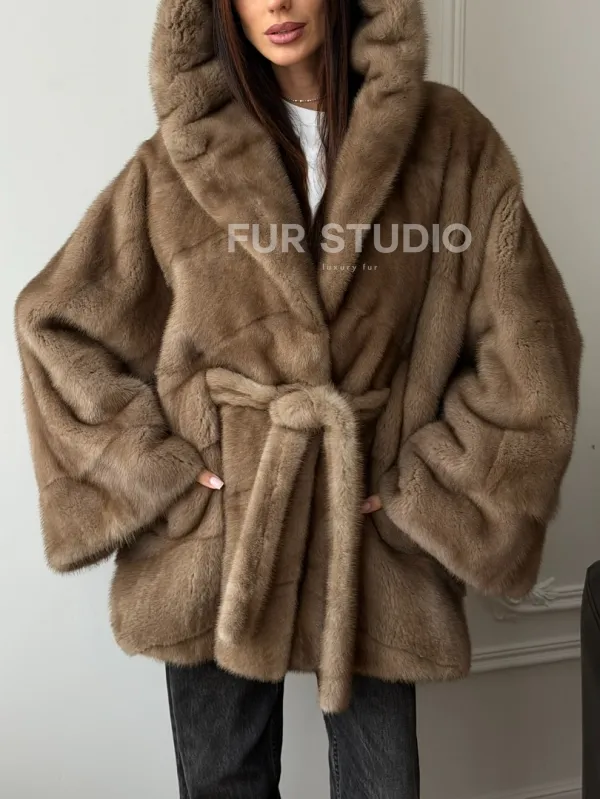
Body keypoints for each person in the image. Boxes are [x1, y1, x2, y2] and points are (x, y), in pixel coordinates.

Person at [13, 0, 583, 796]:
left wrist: (426, 487)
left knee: (383, 785)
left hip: (372, 531)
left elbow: (531, 348)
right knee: (223, 782)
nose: (277, 4)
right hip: (222, 535)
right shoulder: (185, 153)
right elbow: (54, 320)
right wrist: (163, 469)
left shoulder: (449, 141)